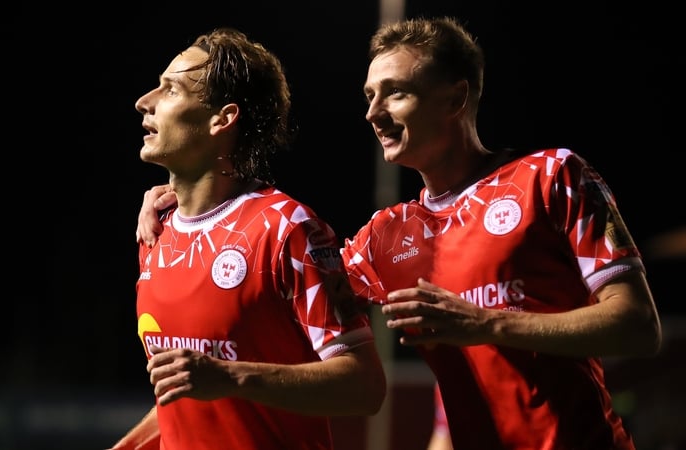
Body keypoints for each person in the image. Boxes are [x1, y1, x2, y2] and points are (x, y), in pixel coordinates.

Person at [135, 16, 663, 449]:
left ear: (456, 99)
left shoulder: (552, 176)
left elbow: (638, 326)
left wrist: (486, 323)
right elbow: (274, 273)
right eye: (369, 95)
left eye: (395, 94)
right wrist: (189, 213)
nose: (372, 113)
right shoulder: (386, 238)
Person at [110, 27, 386, 450]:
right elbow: (184, 401)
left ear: (223, 119)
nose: (143, 102)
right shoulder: (155, 232)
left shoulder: (286, 228)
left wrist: (230, 375)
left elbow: (364, 386)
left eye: (170, 89)